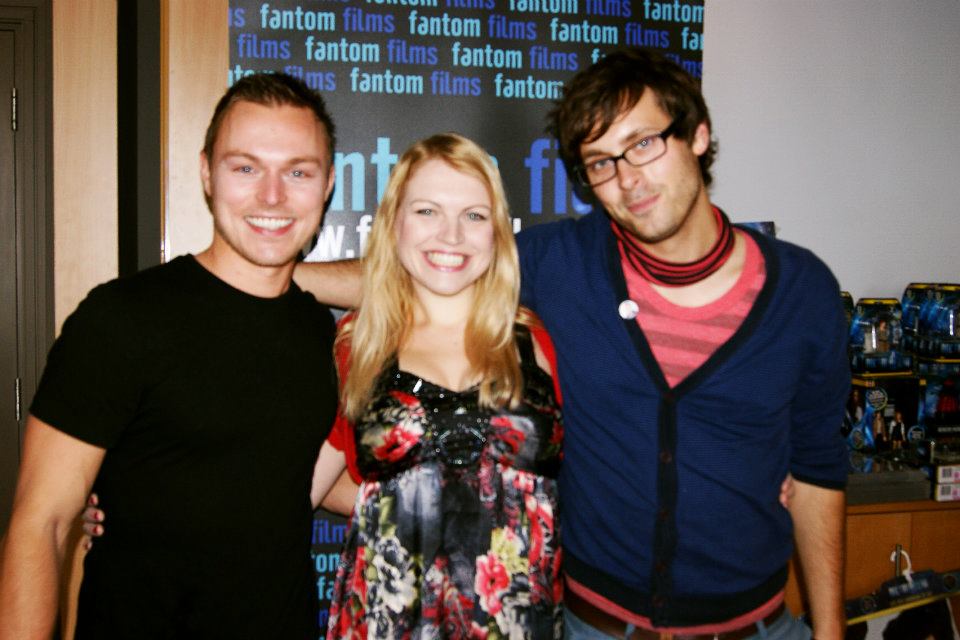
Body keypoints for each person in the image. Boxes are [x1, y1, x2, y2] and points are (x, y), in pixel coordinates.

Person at [295, 48, 849, 640]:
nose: (628, 178)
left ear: (699, 135)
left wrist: (830, 629)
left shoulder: (801, 290)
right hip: (591, 626)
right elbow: (430, 269)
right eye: (601, 162)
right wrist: (273, 276)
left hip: (756, 626)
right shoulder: (564, 265)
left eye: (643, 144)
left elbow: (817, 475)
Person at [0, 73, 341, 639]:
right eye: (245, 167)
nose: (272, 196)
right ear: (207, 172)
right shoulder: (122, 319)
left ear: (327, 184)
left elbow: (290, 478)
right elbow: (43, 523)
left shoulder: (317, 330)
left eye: (298, 172)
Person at [307, 133, 564, 639]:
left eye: (474, 215)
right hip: (388, 623)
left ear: (497, 232)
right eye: (427, 211)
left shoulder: (532, 341)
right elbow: (288, 489)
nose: (451, 235)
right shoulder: (357, 346)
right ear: (394, 223)